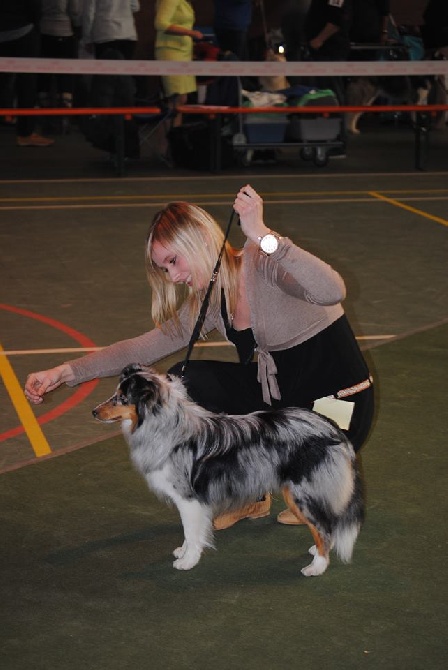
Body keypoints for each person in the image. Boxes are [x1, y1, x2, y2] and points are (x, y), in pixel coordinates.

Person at [25, 184, 374, 530]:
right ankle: (253, 493)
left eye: (174, 261)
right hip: (285, 401)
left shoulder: (264, 262)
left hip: (340, 404)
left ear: (203, 241)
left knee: (315, 483)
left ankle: (320, 475)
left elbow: (332, 290)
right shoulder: (210, 301)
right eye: (164, 269)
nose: (173, 277)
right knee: (185, 381)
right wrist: (66, 371)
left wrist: (265, 236)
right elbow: (141, 348)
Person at [0, 0, 54, 147]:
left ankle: (7, 119)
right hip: (23, 31)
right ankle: (25, 133)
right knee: (27, 83)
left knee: (3, 81)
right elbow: (34, 8)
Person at [154, 0, 203, 126]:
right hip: (171, 51)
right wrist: (190, 33)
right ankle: (166, 140)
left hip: (184, 52)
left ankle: (176, 135)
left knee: (182, 100)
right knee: (175, 98)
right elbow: (160, 23)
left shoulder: (185, 2)